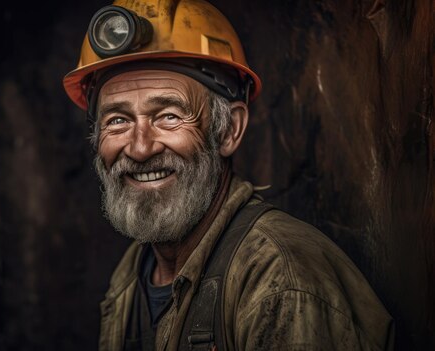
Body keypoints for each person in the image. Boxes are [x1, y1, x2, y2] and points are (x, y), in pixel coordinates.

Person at [63, 0, 394, 350]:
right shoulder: (134, 271)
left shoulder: (280, 277)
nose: (140, 148)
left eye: (169, 116)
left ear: (228, 130)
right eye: (118, 121)